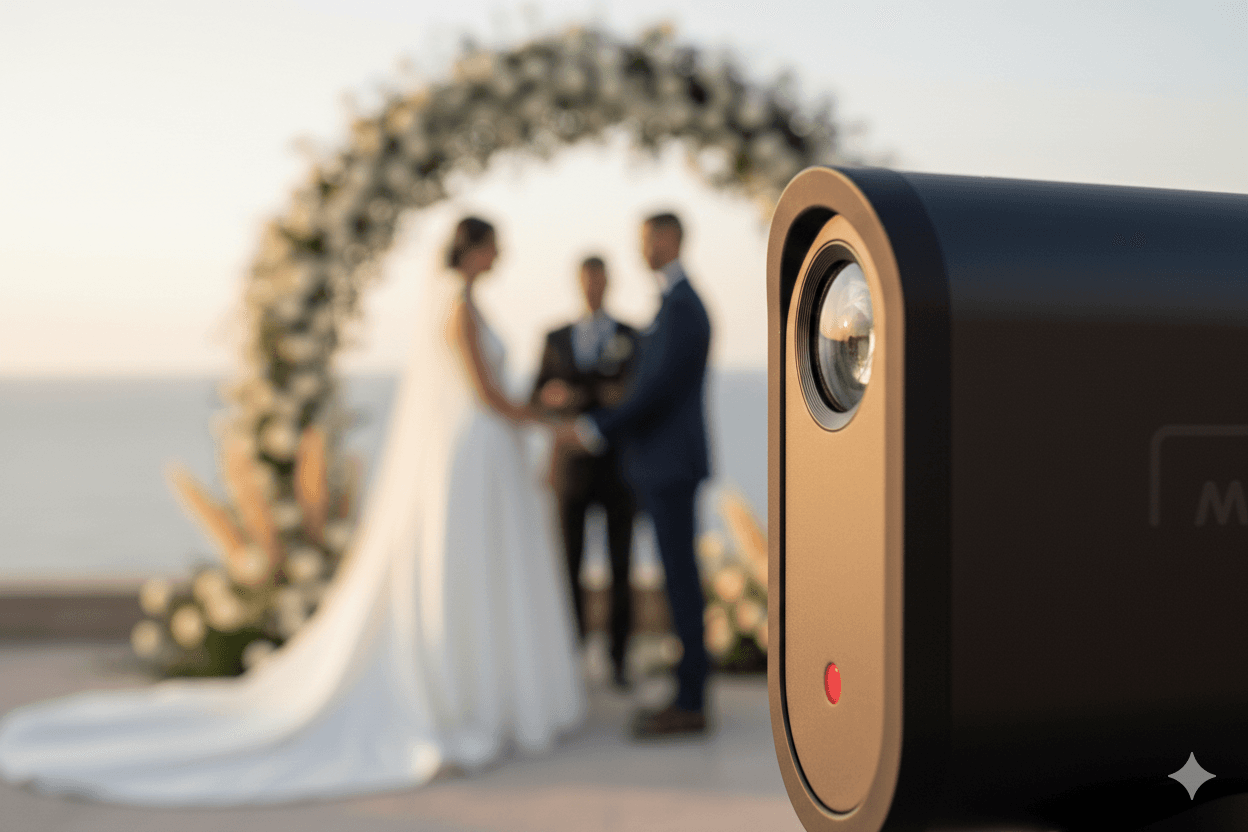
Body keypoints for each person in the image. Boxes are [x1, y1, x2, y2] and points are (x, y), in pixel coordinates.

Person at [0, 216, 585, 806]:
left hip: (486, 448)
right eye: (495, 246)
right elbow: (485, 394)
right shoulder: (456, 307)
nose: (502, 255)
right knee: (462, 568)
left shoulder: (464, 303)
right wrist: (546, 418)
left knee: (482, 570)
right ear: (475, 249)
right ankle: (463, 691)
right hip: (474, 450)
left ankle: (488, 690)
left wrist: (535, 411)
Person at [558, 212, 712, 738]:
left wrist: (595, 428)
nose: (641, 248)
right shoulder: (673, 305)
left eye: (648, 239)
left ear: (670, 238)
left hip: (670, 465)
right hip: (660, 464)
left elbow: (656, 391)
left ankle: (691, 699)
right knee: (675, 577)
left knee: (680, 579)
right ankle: (686, 688)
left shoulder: (684, 306)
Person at [530, 256, 640, 690]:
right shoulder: (554, 337)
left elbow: (633, 394)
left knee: (621, 565)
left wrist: (587, 395)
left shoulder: (631, 336)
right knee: (568, 564)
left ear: (608, 282)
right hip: (571, 471)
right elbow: (535, 396)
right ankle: (570, 658)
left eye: (599, 280)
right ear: (577, 284)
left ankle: (618, 661)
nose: (592, 287)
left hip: (619, 469)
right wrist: (550, 397)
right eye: (586, 281)